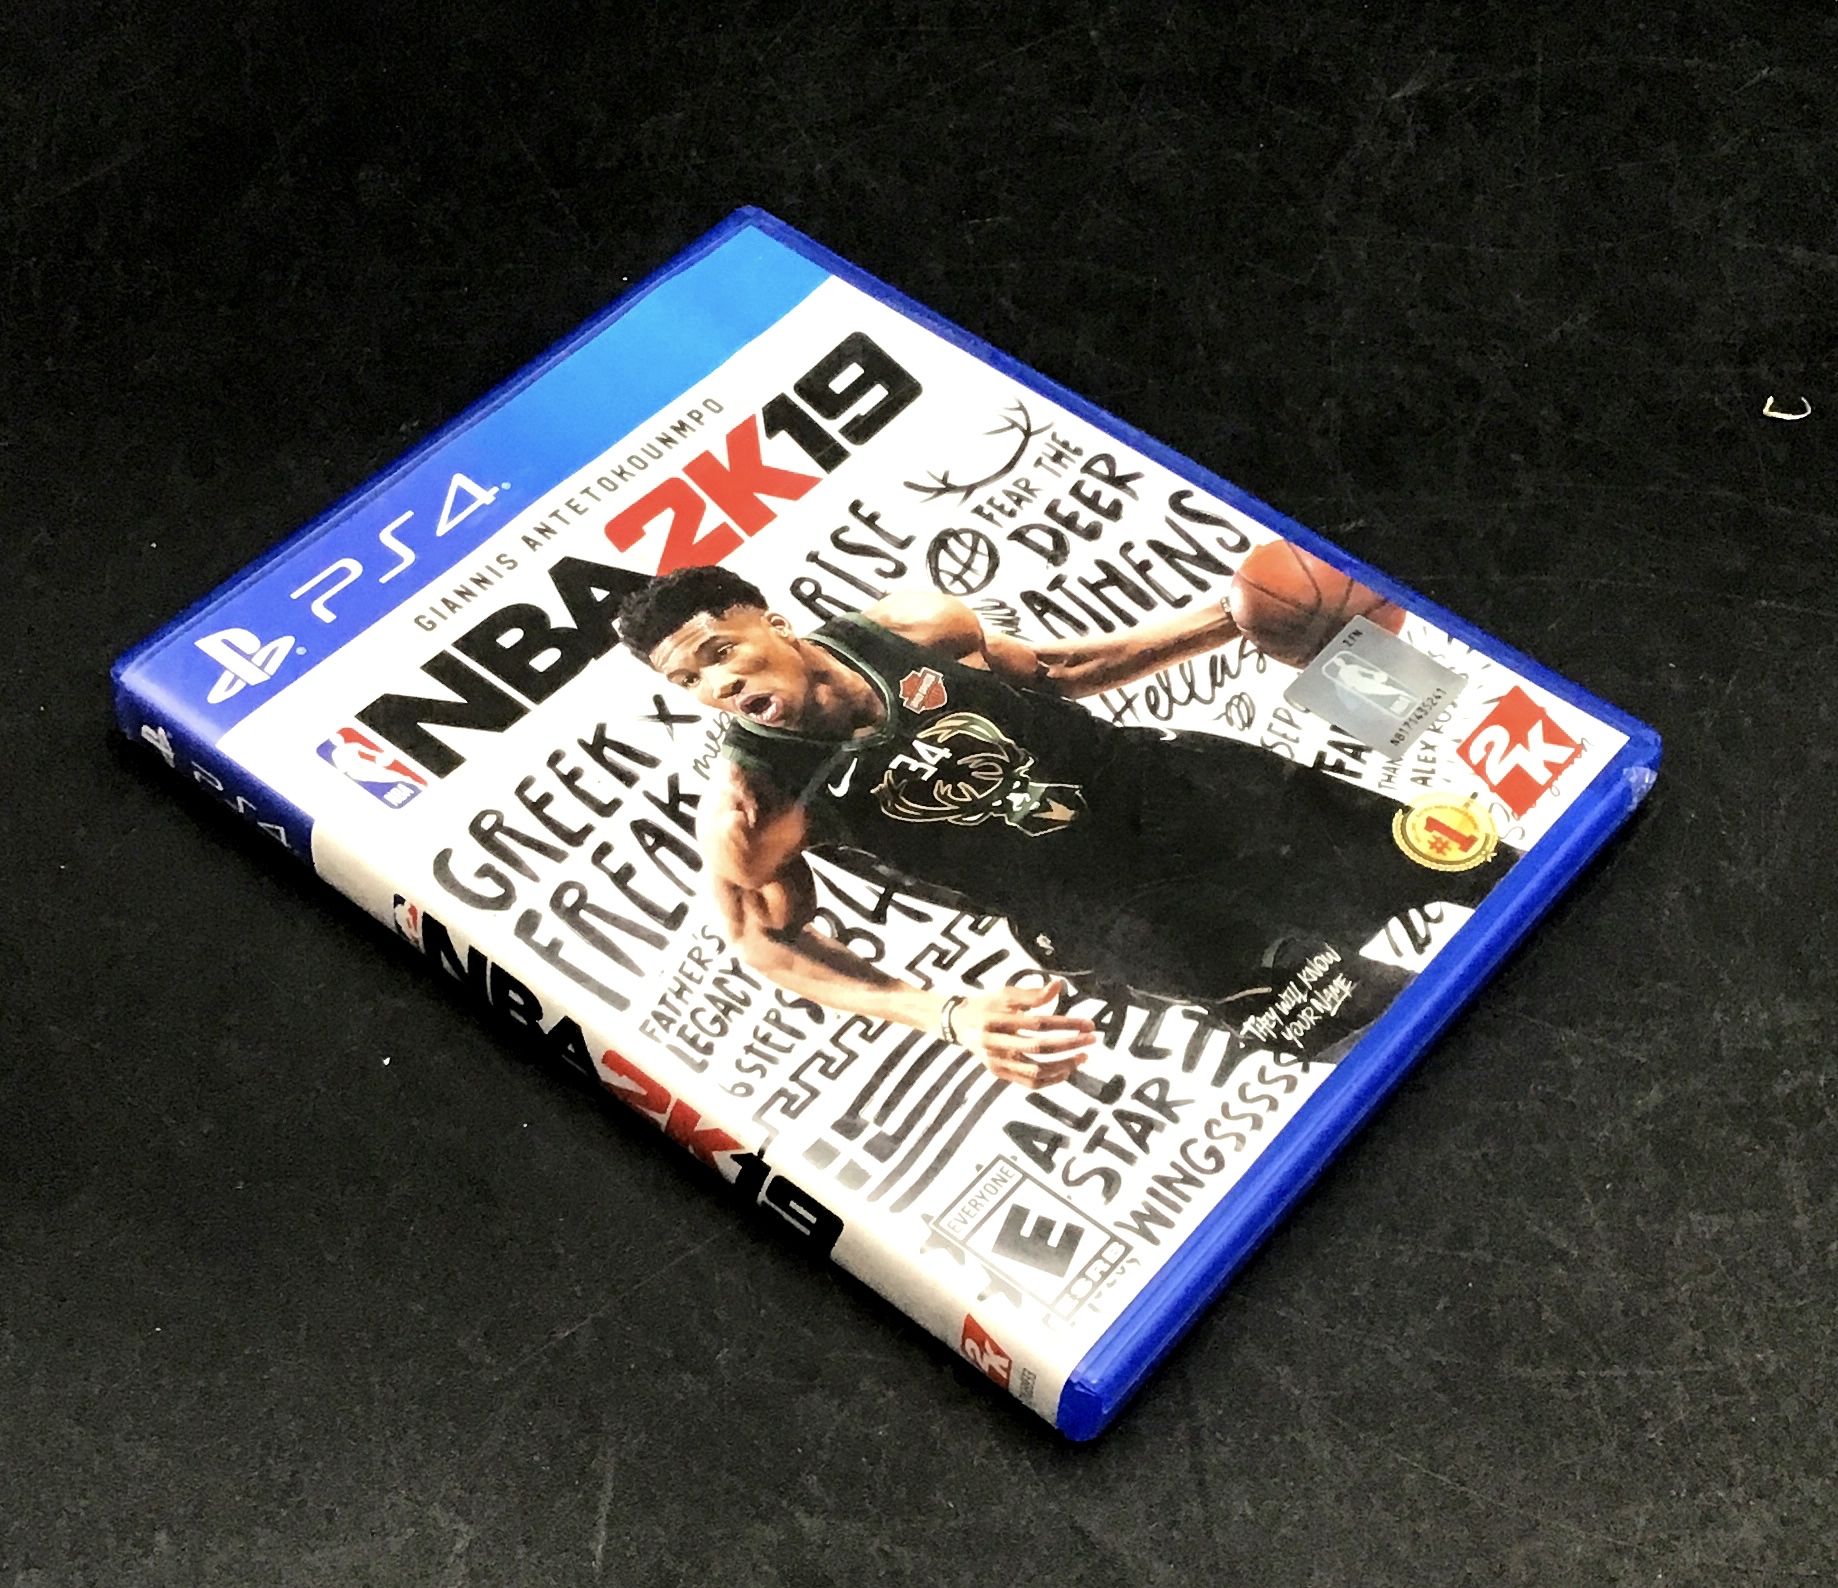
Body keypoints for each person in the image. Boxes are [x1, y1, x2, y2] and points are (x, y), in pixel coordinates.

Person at [618, 553, 1500, 1088]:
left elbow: (1053, 672)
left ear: (772, 621)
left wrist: (1229, 620)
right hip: (1114, 912)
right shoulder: (752, 806)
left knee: (1491, 867)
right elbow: (763, 943)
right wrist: (951, 1016)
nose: (717, 685)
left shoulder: (914, 626)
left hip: (1183, 791)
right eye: (689, 681)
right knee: (1403, 1036)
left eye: (719, 652)